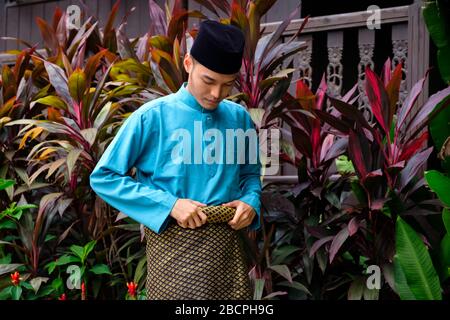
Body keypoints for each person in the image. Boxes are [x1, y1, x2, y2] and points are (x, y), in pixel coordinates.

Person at [89, 20, 262, 300]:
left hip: (229, 249)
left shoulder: (239, 118)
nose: (217, 93)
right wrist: (169, 204)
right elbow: (104, 177)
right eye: (209, 81)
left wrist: (251, 202)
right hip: (173, 251)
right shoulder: (151, 117)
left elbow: (250, 176)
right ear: (188, 63)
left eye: (227, 85)